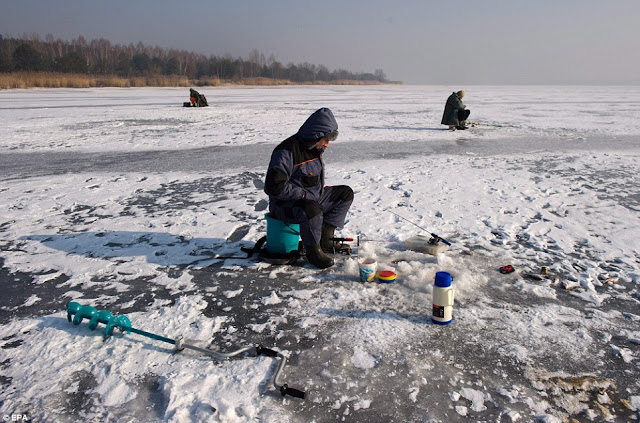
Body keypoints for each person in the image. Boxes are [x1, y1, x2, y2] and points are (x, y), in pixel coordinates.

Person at [264, 108, 354, 269]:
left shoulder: (314, 147)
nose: (327, 144)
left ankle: (325, 240)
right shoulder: (286, 151)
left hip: (312, 198)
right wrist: (303, 194)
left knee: (344, 194)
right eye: (326, 139)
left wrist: (315, 191)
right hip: (284, 205)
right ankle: (313, 251)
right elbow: (273, 187)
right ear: (316, 135)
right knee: (312, 209)